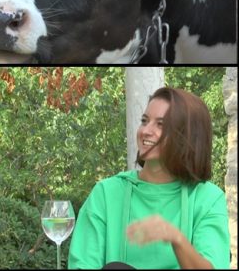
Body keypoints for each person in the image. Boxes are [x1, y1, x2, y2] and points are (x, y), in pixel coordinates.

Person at [68, 87, 230, 270]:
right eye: (145, 121)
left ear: (187, 136)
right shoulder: (106, 193)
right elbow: (83, 265)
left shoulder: (208, 198)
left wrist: (176, 238)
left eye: (161, 124)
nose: (145, 131)